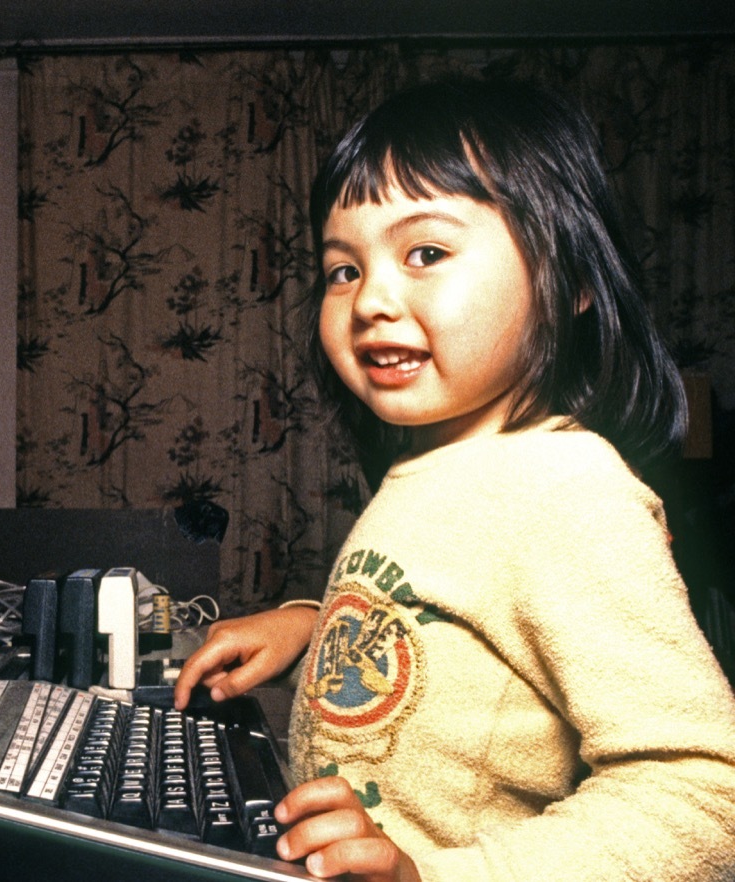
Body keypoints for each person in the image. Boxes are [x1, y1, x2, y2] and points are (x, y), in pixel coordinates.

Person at [173, 78, 735, 882]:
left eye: (426, 253)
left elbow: (705, 798)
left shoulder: (566, 486)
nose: (371, 298)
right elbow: (443, 630)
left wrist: (432, 877)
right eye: (342, 269)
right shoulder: (439, 467)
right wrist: (309, 624)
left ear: (571, 279)